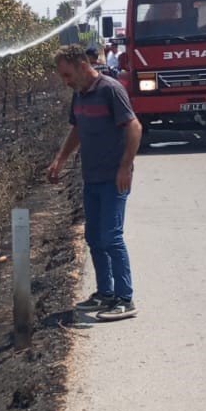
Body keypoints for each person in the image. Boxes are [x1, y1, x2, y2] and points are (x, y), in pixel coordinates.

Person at [47, 45, 141, 321]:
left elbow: (134, 127)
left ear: (80, 64)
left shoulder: (110, 89)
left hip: (114, 178)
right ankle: (105, 293)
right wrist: (60, 159)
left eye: (67, 75)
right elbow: (77, 128)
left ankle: (125, 298)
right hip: (91, 177)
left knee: (111, 237)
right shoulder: (79, 95)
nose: (65, 81)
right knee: (94, 238)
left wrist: (125, 167)